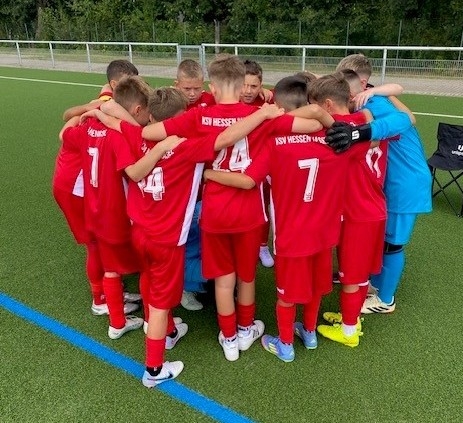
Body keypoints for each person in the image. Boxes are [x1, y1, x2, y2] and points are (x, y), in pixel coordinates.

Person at [87, 85, 285, 385]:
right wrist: (262, 114)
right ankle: (154, 369)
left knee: (149, 281)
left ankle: (168, 330)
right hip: (166, 240)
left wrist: (98, 110)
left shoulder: (136, 134)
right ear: (179, 119)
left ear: (151, 115)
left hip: (139, 232)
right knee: (160, 304)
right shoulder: (186, 147)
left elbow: (114, 117)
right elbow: (224, 138)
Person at [139, 54, 328, 362]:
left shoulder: (199, 116)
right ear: (242, 87)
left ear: (212, 87)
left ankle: (228, 339)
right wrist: (275, 112)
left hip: (215, 210)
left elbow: (148, 132)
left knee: (224, 280)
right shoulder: (261, 116)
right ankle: (245, 330)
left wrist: (176, 145)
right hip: (249, 212)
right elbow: (314, 123)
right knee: (247, 277)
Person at [204, 75, 352, 362]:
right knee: (314, 287)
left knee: (287, 293)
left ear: (280, 109)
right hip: (325, 231)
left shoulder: (275, 141)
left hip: (292, 234)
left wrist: (209, 174)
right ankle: (309, 332)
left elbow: (248, 180)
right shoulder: (335, 137)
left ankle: (285, 344)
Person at [59, 76, 168, 340]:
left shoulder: (89, 127)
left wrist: (89, 111)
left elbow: (64, 134)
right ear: (137, 109)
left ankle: (113, 315)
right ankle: (143, 320)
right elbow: (135, 170)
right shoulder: (120, 137)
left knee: (107, 263)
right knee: (143, 263)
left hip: (93, 208)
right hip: (116, 212)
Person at [331, 53, 432, 313]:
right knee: (380, 237)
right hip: (393, 181)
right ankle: (372, 283)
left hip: (405, 183)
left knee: (392, 243)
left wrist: (359, 133)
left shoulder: (374, 102)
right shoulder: (370, 99)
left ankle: (385, 300)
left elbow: (405, 119)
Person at [53, 59, 141, 316]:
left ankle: (110, 290)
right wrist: (96, 108)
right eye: (128, 82)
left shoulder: (107, 100)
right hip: (75, 185)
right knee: (95, 243)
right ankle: (100, 299)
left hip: (81, 181)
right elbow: (67, 123)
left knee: (100, 242)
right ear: (114, 84)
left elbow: (69, 118)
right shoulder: (108, 104)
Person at [311, 72, 386, 347]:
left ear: (327, 105)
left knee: (352, 275)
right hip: (370, 207)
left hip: (358, 213)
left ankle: (349, 330)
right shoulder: (367, 123)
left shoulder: (337, 133)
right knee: (358, 272)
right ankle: (350, 316)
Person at [241, 59, 275, 267]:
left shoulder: (267, 102)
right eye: (243, 85)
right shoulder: (224, 102)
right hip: (235, 165)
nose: (248, 91)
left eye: (254, 86)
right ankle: (244, 243)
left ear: (261, 85)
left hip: (261, 165)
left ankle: (262, 245)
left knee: (263, 205)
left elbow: (294, 91)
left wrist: (269, 93)